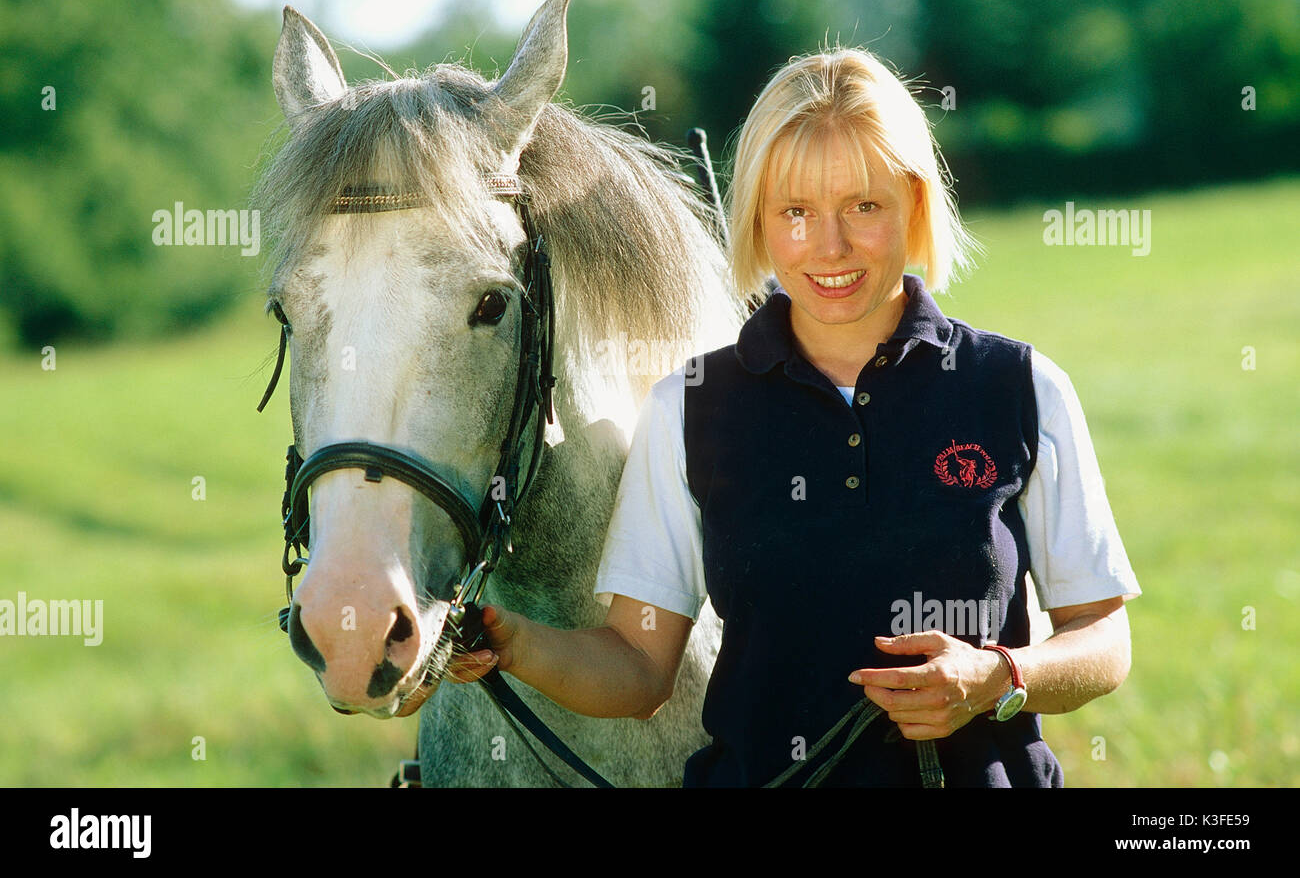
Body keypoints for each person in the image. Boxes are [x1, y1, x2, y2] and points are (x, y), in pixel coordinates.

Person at [450, 45, 1140, 787]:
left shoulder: (1020, 386)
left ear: (912, 204)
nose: (829, 246)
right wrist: (512, 642)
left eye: (863, 207)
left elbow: (1102, 637)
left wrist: (996, 675)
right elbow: (639, 668)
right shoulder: (688, 407)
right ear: (758, 219)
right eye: (796, 212)